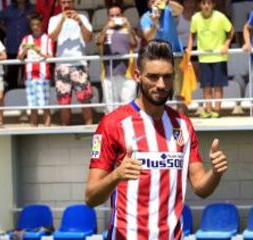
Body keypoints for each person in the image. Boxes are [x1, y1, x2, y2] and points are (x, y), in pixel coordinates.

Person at [85, 40, 228, 239]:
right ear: (137, 76)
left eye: (167, 77)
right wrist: (116, 175)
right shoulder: (112, 124)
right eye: (153, 77)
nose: (161, 84)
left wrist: (215, 172)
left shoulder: (183, 125)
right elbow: (91, 197)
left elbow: (200, 188)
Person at [48, 0, 93, 125]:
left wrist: (79, 22)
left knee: (85, 100)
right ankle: (65, 129)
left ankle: (90, 128)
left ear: (74, 3)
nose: (66, 4)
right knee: (64, 102)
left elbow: (89, 38)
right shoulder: (54, 19)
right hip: (61, 65)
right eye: (63, 2)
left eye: (68, 2)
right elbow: (52, 37)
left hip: (79, 63)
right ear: (59, 4)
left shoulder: (83, 17)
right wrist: (62, 20)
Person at [187, 0, 234, 118]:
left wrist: (226, 44)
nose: (206, 6)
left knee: (218, 85)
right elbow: (192, 34)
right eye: (203, 3)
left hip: (219, 56)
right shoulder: (195, 18)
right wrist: (189, 48)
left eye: (208, 3)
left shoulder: (220, 17)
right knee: (206, 86)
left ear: (213, 4)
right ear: (199, 5)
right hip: (203, 57)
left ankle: (217, 111)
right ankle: (208, 111)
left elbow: (231, 31)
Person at [140, 0, 186, 113]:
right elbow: (148, 38)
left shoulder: (168, 10)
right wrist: (155, 24)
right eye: (152, 1)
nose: (155, 3)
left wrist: (167, 2)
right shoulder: (145, 18)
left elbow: (181, 10)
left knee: (180, 92)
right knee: (158, 90)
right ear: (148, 4)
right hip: (157, 59)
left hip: (175, 54)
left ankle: (180, 120)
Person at [97, 3, 138, 113]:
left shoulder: (128, 29)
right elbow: (98, 42)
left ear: (123, 15)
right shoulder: (104, 31)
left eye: (118, 15)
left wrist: (128, 26)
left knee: (128, 106)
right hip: (108, 74)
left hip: (128, 74)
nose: (115, 18)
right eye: (112, 15)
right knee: (111, 109)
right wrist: (106, 27)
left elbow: (134, 44)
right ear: (108, 17)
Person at [17, 13, 53, 126]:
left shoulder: (47, 38)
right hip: (29, 76)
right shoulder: (26, 39)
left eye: (37, 24)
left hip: (44, 75)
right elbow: (19, 57)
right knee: (32, 106)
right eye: (33, 25)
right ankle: (34, 127)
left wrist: (39, 51)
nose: (35, 27)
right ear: (30, 26)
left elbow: (51, 57)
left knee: (45, 105)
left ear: (41, 24)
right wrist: (25, 50)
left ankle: (47, 129)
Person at [0, 0, 35, 90]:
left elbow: (39, 21)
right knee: (12, 72)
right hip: (12, 45)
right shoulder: (8, 9)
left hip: (27, 46)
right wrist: (6, 29)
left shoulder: (32, 9)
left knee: (28, 71)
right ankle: (11, 94)